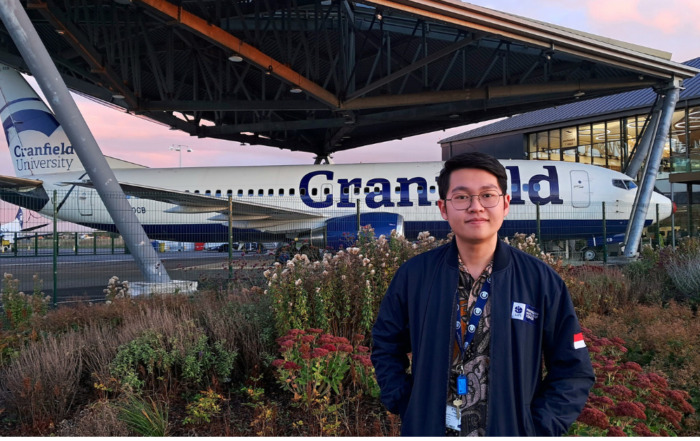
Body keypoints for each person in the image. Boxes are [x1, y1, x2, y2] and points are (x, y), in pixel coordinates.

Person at [371, 152, 594, 436]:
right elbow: (385, 344)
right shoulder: (414, 276)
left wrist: (537, 428)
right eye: (462, 197)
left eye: (487, 195)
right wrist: (405, 402)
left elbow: (573, 370)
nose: (476, 207)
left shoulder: (540, 281)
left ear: (505, 204)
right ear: (443, 208)